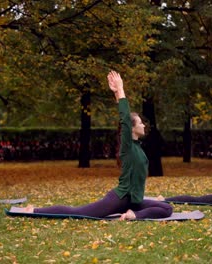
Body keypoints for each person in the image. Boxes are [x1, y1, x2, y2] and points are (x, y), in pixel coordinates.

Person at [21, 71, 173, 220]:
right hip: (120, 198)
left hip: (134, 202)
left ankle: (133, 215)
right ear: (131, 128)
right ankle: (35, 210)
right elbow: (125, 118)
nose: (144, 126)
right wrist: (120, 90)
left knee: (167, 208)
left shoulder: (137, 146)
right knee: (79, 212)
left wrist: (115, 93)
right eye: (140, 123)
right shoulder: (127, 146)